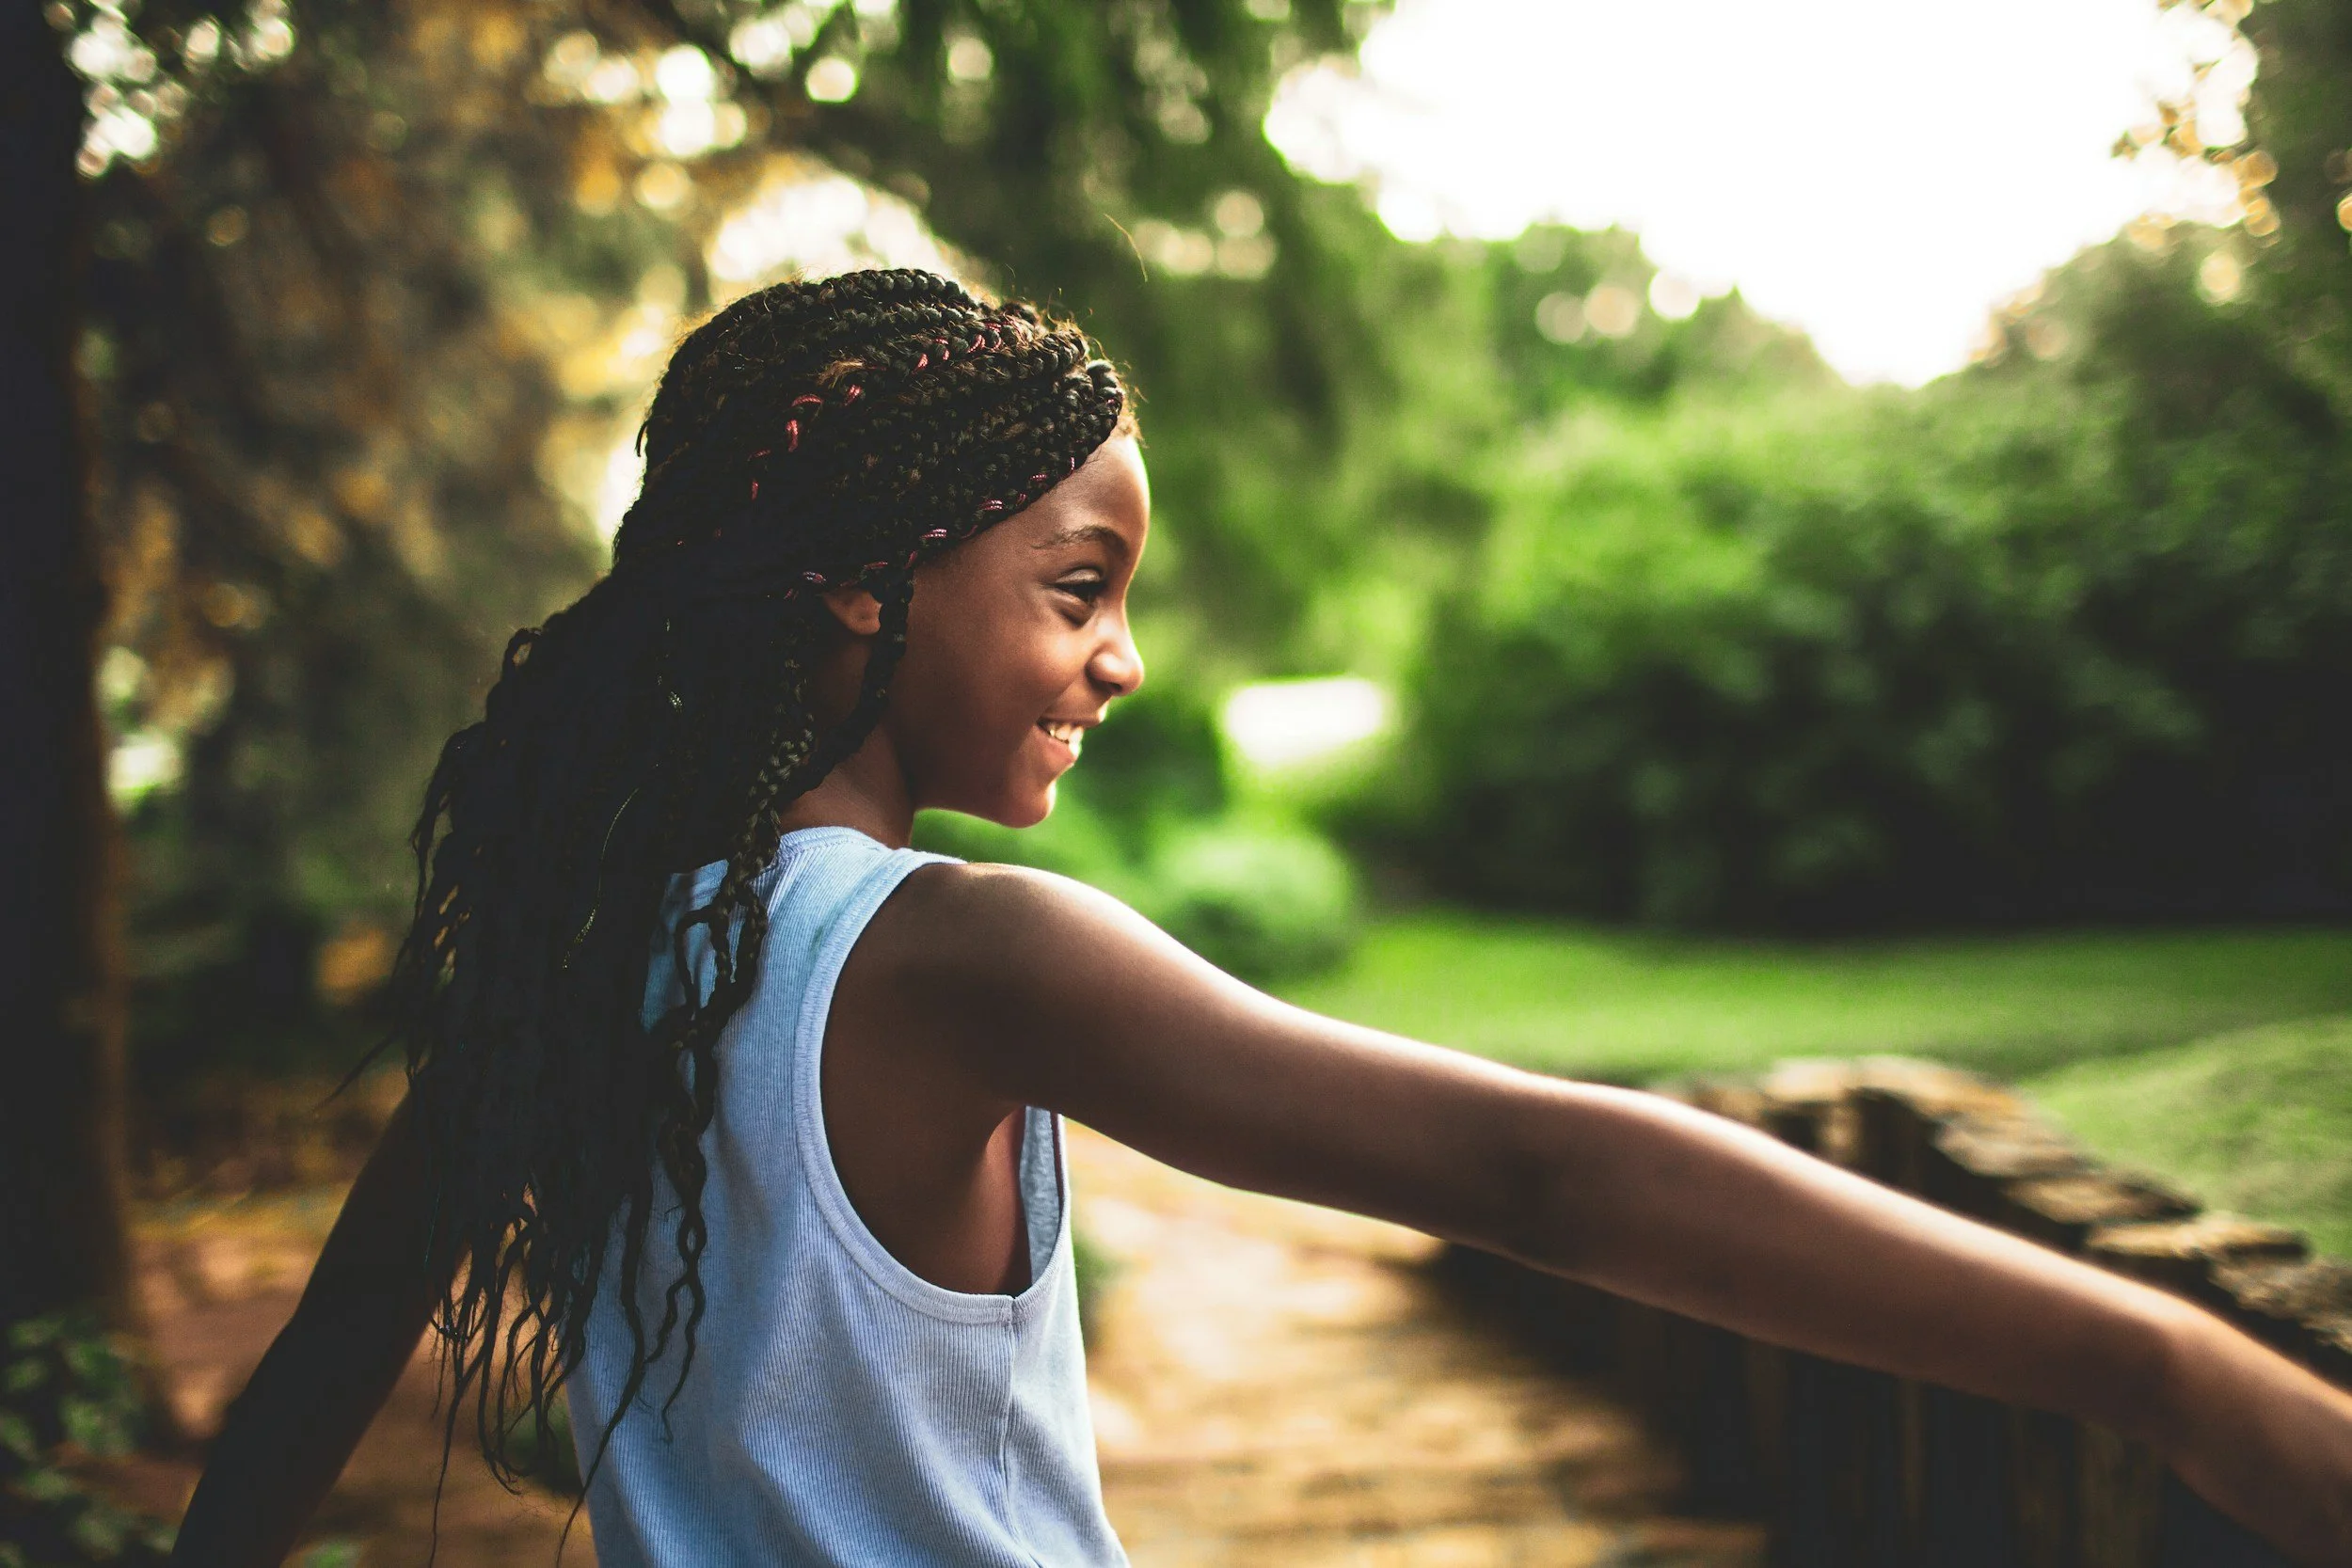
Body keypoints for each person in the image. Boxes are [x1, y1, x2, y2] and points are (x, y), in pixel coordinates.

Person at [168, 269, 2352, 1567]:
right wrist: (2145, 1350)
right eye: (1074, 586)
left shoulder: (582, 945)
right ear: (858, 576)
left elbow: (313, 1377)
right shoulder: (955, 951)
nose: (1115, 658)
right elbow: (1531, 1164)